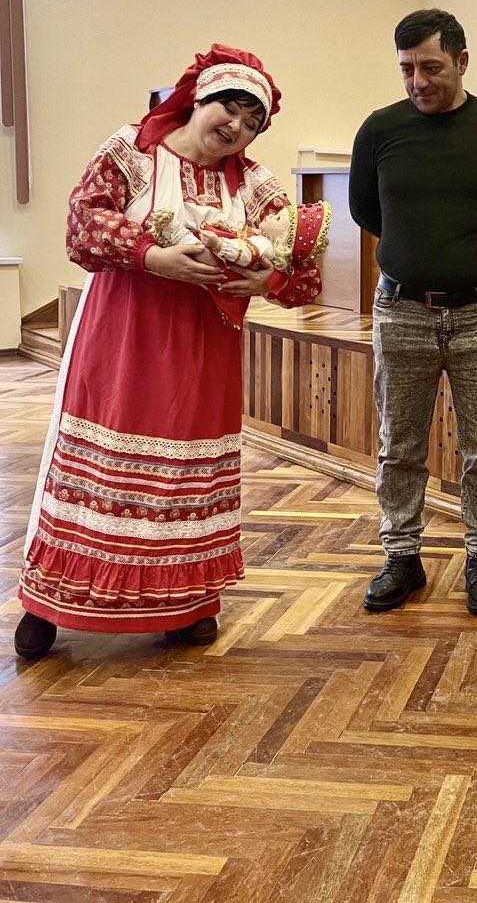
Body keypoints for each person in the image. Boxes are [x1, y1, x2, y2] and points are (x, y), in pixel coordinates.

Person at [15, 45, 321, 660]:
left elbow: (304, 264)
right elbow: (81, 223)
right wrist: (154, 256)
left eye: (252, 121)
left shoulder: (254, 183)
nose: (235, 126)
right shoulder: (132, 148)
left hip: (203, 349)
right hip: (123, 335)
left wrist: (266, 280)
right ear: (197, 100)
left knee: (184, 472)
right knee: (97, 463)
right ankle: (52, 604)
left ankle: (186, 604)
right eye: (228, 109)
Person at [350, 9, 477, 617]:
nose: (418, 82)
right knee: (398, 443)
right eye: (406, 69)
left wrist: (464, 257)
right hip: (401, 309)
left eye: (430, 67)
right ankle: (401, 556)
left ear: (462, 60)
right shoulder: (379, 131)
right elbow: (366, 211)